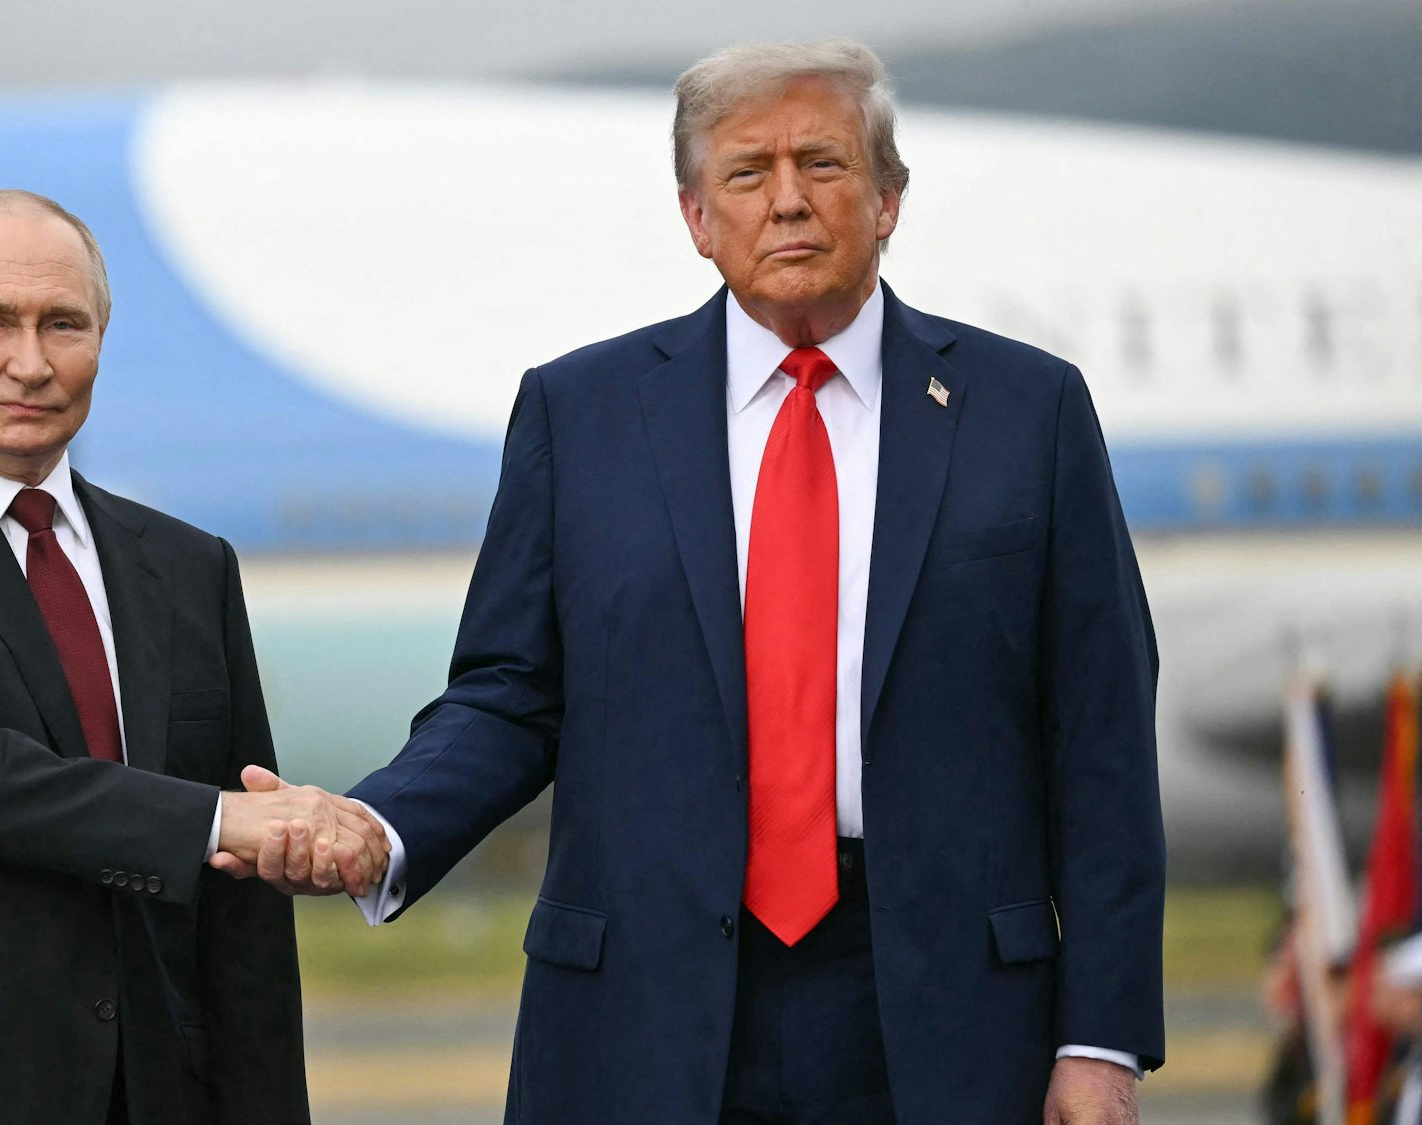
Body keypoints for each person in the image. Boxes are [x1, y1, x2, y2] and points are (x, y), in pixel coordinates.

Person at [220, 38, 1164, 1124]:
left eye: (822, 164)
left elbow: (1097, 739)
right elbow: (509, 696)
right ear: (694, 219)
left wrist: (1099, 1040)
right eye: (746, 174)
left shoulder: (1024, 410)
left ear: (889, 199)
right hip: (642, 1010)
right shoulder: (580, 415)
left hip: (946, 1013)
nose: (788, 203)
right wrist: (378, 826)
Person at [0, 188, 384, 1124]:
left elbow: (240, 934)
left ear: (103, 331)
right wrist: (218, 821)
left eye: (63, 324)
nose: (31, 363)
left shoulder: (189, 566)